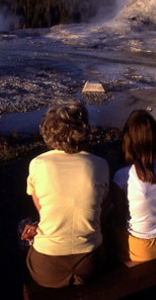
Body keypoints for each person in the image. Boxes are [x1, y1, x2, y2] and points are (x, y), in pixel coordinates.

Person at [23, 100, 110, 288]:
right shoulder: (100, 165)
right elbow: (100, 207)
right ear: (84, 129)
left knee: (24, 231)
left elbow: (42, 210)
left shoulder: (38, 164)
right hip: (91, 262)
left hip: (47, 266)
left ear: (48, 130)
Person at [111, 110, 156, 265]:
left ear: (127, 140)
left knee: (110, 225)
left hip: (140, 247)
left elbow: (119, 218)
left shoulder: (124, 176)